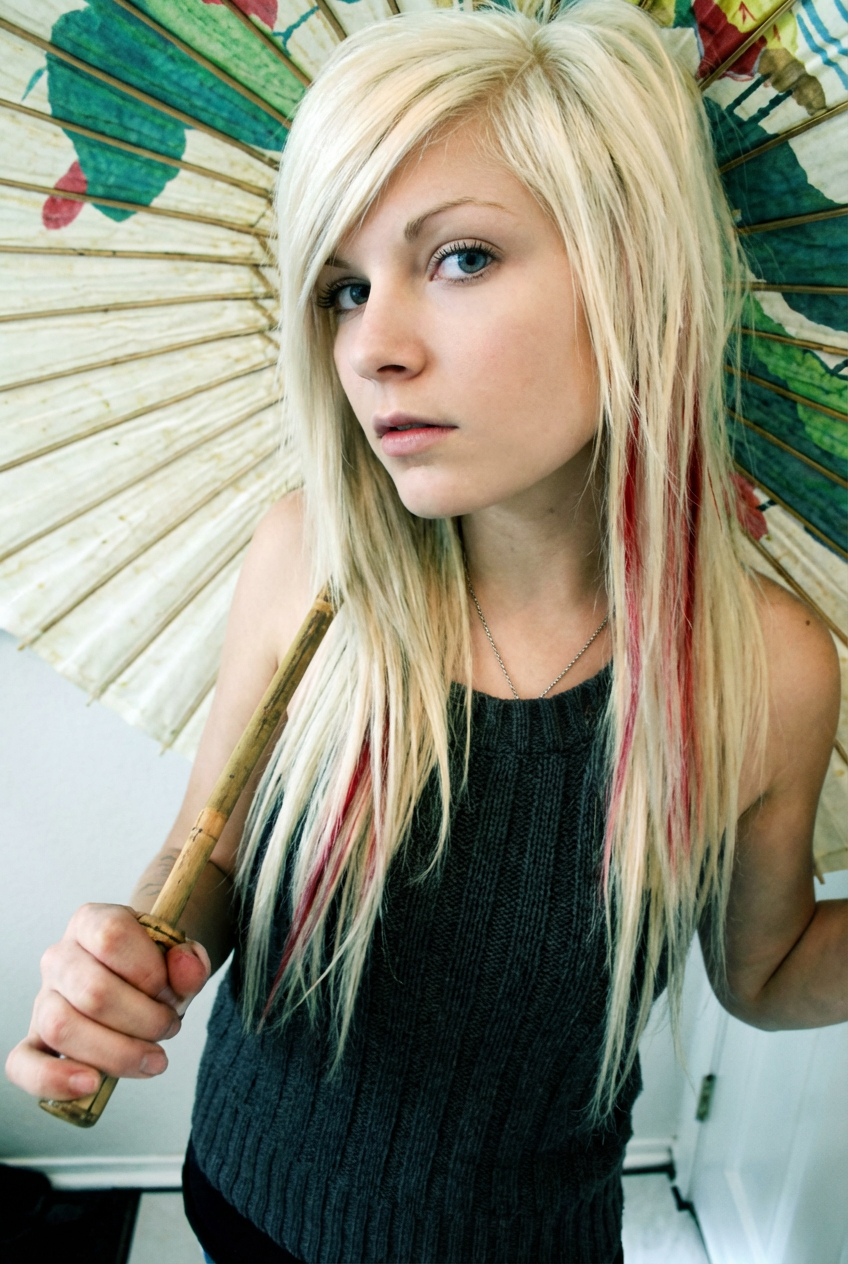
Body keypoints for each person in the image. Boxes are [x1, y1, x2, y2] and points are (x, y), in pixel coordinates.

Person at [6, 2, 845, 1261]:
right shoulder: (309, 561)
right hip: (240, 1201)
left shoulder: (762, 670)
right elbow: (209, 852)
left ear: (633, 272)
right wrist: (131, 947)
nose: (371, 348)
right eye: (341, 286)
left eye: (457, 258)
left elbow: (766, 972)